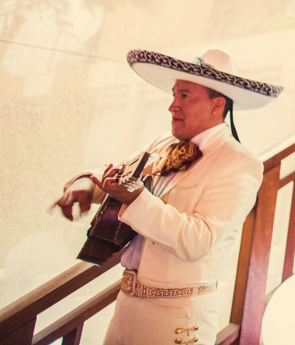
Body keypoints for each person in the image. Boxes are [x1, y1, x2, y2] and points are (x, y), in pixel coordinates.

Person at [54, 48, 282, 345]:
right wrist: (86, 184)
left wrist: (137, 199)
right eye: (174, 94)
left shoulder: (239, 163)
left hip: (179, 320)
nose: (172, 106)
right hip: (125, 308)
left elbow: (198, 240)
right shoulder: (163, 143)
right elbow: (116, 174)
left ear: (217, 105)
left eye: (184, 95)